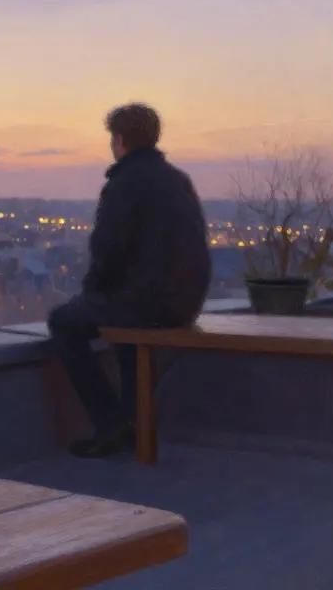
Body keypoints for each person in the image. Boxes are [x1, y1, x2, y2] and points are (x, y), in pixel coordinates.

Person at [48, 103, 212, 458]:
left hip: (145, 302)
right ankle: (130, 421)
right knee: (124, 327)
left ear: (119, 140)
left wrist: (90, 292)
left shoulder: (125, 182)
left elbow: (108, 249)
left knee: (63, 322)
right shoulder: (176, 180)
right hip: (183, 302)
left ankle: (109, 423)